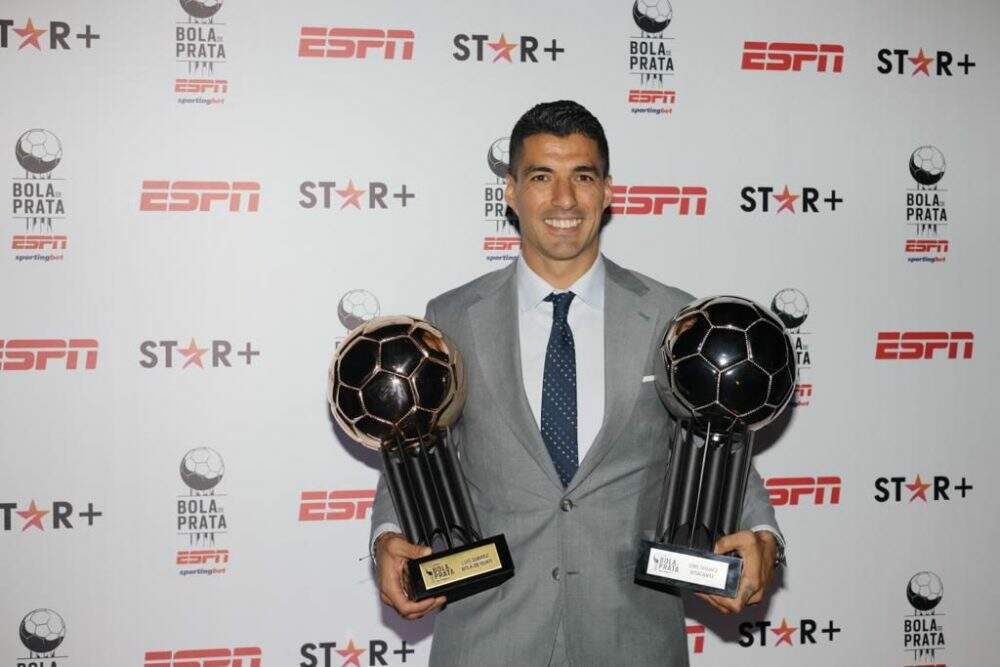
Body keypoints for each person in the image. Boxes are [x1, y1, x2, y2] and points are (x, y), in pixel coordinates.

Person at [369, 100, 784, 665]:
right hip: (489, 637)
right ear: (511, 192)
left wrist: (763, 536)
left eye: (582, 177)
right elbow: (412, 445)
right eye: (542, 177)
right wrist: (387, 537)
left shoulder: (672, 316)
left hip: (632, 637)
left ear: (607, 191)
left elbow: (722, 440)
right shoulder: (453, 318)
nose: (564, 200)